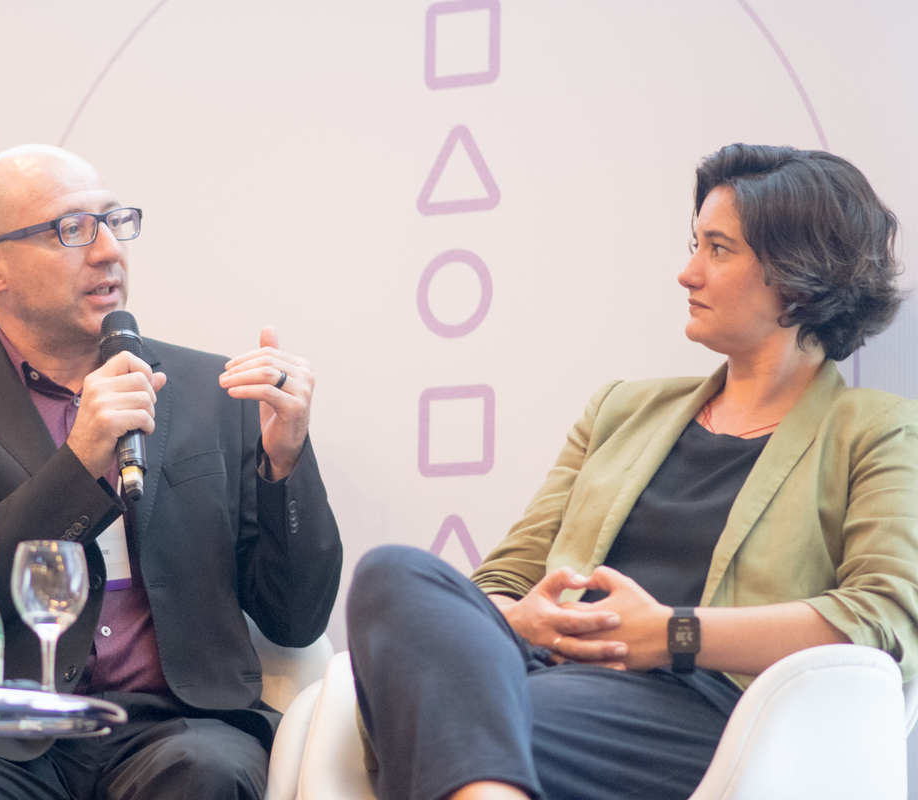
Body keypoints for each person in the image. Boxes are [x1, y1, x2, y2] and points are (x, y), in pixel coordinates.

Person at [347, 143, 918, 800]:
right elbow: (499, 583)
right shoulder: (621, 411)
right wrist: (525, 621)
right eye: (695, 245)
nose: (687, 273)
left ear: (798, 277)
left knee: (460, 724)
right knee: (393, 573)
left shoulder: (876, 430)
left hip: (706, 712)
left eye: (718, 249)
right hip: (539, 676)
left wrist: (674, 635)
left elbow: (885, 621)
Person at [0, 144, 342, 800]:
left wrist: (285, 461)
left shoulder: (215, 393)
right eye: (71, 230)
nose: (109, 251)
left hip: (178, 729)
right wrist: (78, 463)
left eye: (115, 222)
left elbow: (296, 619)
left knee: (210, 774)